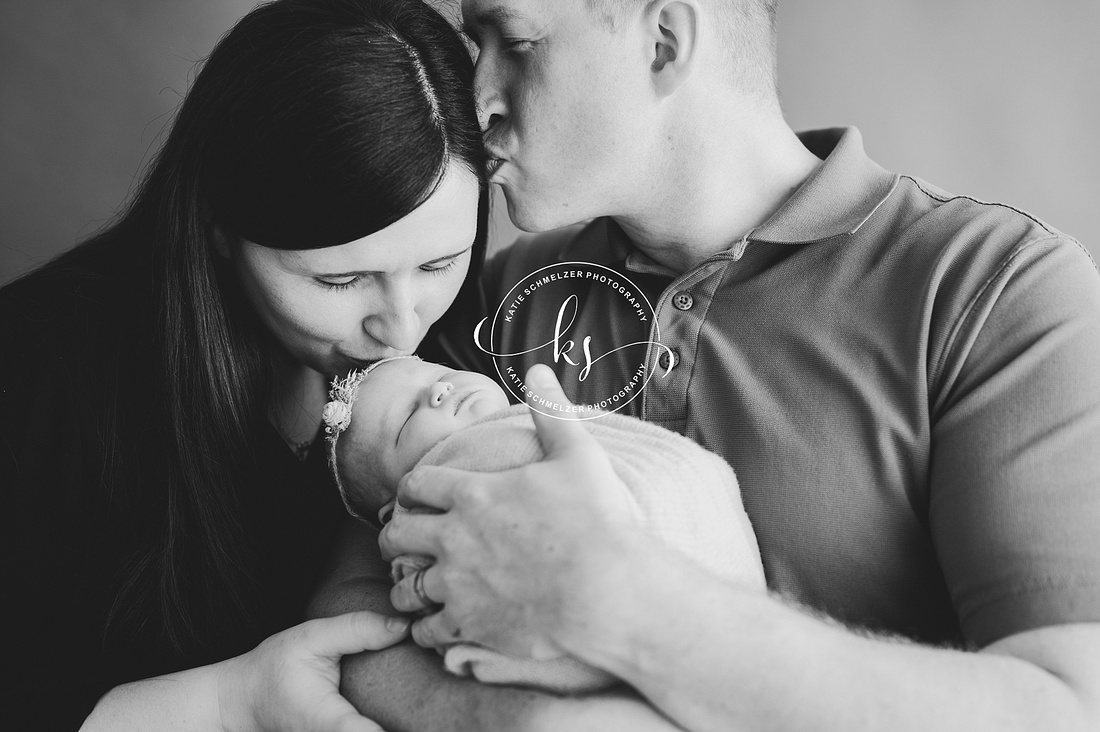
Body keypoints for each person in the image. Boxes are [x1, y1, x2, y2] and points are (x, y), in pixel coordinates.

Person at [311, 0, 1100, 730]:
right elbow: (343, 625)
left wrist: (629, 602)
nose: (471, 97)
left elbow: (1066, 707)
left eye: (514, 43)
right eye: (470, 47)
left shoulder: (996, 289)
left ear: (664, 43)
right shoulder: (494, 299)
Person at [0, 0, 491, 729]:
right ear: (221, 231)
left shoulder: (463, 354)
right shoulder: (39, 376)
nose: (402, 325)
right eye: (339, 281)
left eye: (440, 263)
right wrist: (232, 702)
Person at [323, 355, 765, 692]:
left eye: (436, 372)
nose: (437, 390)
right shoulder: (440, 493)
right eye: (405, 419)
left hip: (711, 586)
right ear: (396, 508)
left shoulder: (538, 416)